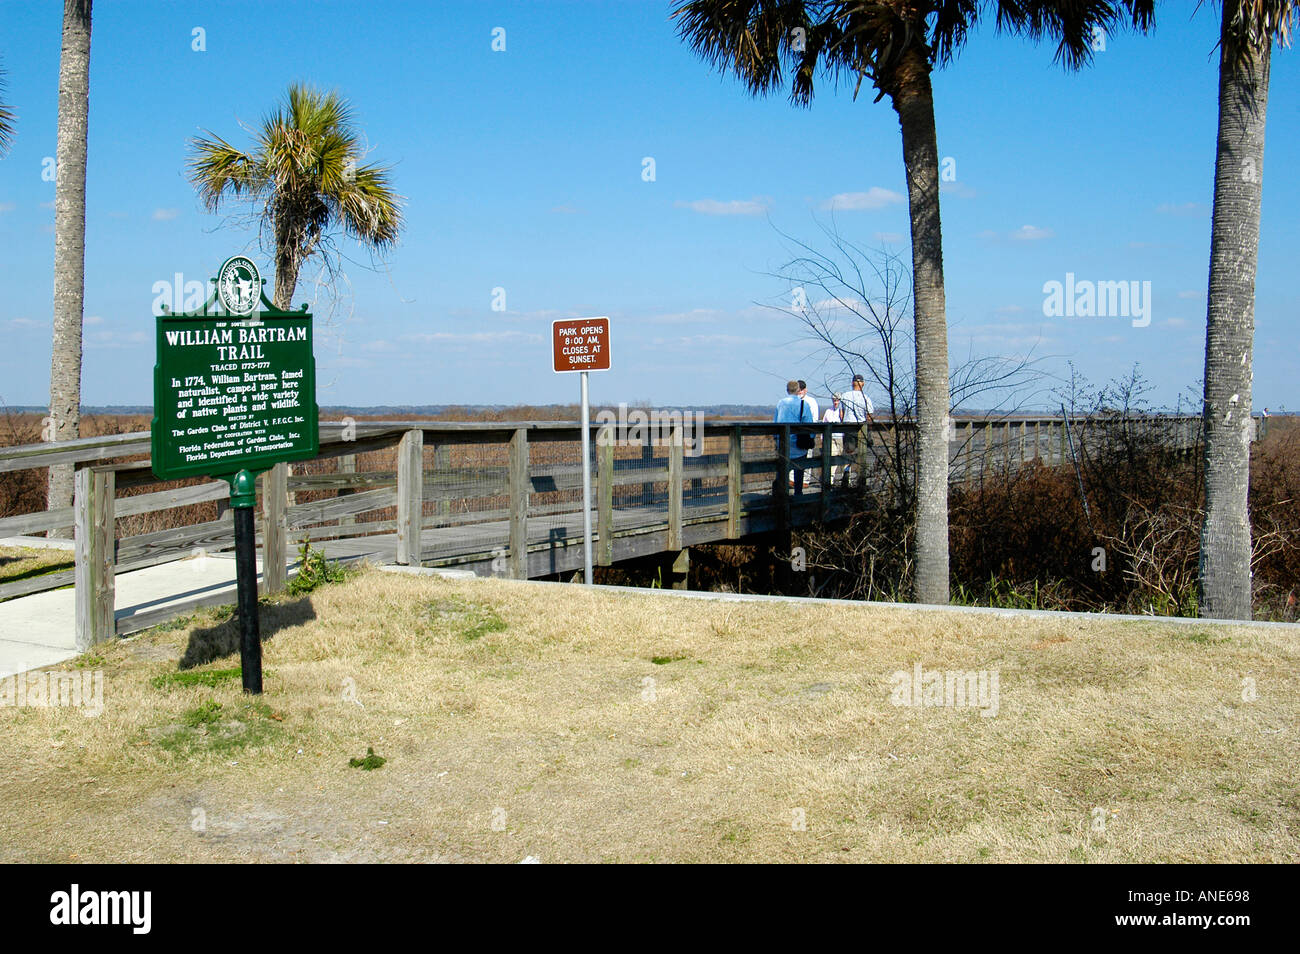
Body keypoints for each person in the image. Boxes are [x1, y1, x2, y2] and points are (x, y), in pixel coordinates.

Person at [839, 373, 875, 487]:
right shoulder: (866, 397)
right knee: (862, 452)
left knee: (848, 451)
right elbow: (869, 415)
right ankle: (861, 478)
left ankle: (846, 473)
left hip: (848, 426)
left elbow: (841, 413)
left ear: (852, 383)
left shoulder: (845, 395)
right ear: (862, 384)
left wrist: (843, 422)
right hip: (861, 427)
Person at [773, 379, 809, 495]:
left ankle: (781, 495)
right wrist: (810, 439)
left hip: (783, 444)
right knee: (799, 471)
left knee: (782, 471)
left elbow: (775, 423)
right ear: (798, 390)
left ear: (787, 390)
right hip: (799, 445)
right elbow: (809, 425)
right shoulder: (804, 404)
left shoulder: (780, 403)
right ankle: (798, 495)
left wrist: (776, 439)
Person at [823, 393, 845, 485]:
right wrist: (823, 438)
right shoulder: (828, 411)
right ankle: (830, 480)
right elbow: (824, 423)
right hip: (831, 437)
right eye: (834, 400)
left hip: (841, 437)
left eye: (837, 400)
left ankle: (845, 479)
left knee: (843, 458)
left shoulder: (843, 411)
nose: (836, 402)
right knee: (832, 458)